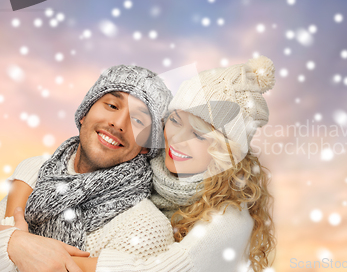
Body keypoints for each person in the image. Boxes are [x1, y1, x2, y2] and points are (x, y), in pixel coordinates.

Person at [2, 55, 277, 272]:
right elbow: (51, 164)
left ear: (224, 153)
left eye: (199, 134)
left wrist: (37, 252)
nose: (178, 141)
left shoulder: (229, 220)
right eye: (177, 121)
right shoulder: (151, 163)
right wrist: (16, 235)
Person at [0, 64, 173, 271]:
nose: (118, 124)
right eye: (112, 106)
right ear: (84, 114)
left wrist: (14, 242)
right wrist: (13, 243)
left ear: (146, 147)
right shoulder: (34, 174)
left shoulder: (146, 228)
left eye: (138, 120)